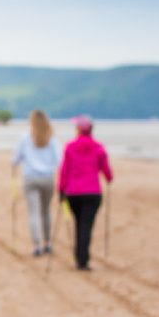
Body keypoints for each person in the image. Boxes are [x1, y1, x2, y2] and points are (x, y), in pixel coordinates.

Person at [58, 115, 113, 271]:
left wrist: (61, 189)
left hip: (73, 192)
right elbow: (107, 172)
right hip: (92, 192)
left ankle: (79, 256)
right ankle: (83, 259)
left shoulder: (70, 147)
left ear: (79, 130)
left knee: (78, 223)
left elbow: (65, 170)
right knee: (86, 226)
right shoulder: (99, 147)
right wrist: (108, 178)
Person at [11, 109, 60, 257]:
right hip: (47, 178)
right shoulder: (51, 137)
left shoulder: (24, 137)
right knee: (46, 211)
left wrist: (16, 164)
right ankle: (48, 243)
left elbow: (15, 159)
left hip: (30, 178)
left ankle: (37, 245)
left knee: (34, 213)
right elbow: (59, 159)